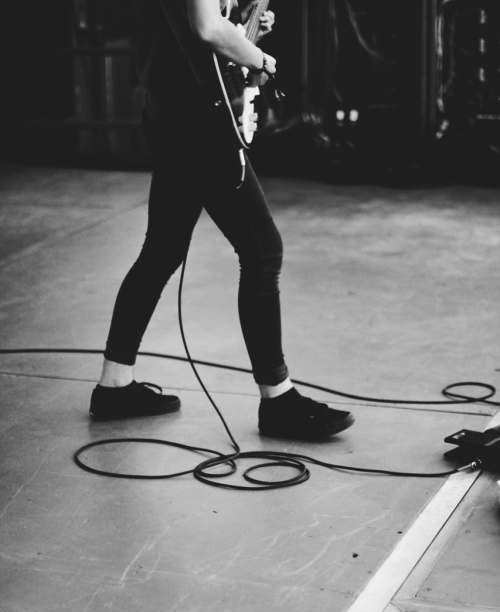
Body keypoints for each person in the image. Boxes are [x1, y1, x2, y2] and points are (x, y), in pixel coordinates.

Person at [89, 0, 355, 440]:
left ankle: (114, 385)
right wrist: (261, 58)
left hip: (173, 116)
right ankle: (279, 400)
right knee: (262, 251)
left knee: (160, 253)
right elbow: (206, 28)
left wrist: (247, 32)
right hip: (201, 124)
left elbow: (199, 36)